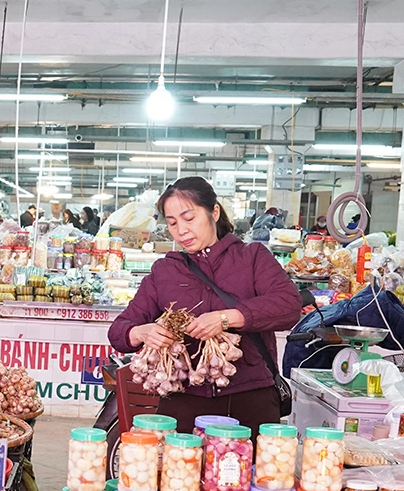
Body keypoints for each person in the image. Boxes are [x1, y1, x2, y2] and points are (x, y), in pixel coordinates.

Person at [108, 176, 301, 436]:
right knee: (180, 462)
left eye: (189, 218)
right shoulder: (166, 271)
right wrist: (141, 332)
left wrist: (225, 318)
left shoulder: (252, 257)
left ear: (214, 212)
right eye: (172, 223)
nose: (181, 230)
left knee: (251, 462)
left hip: (251, 399)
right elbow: (118, 331)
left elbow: (288, 305)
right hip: (184, 400)